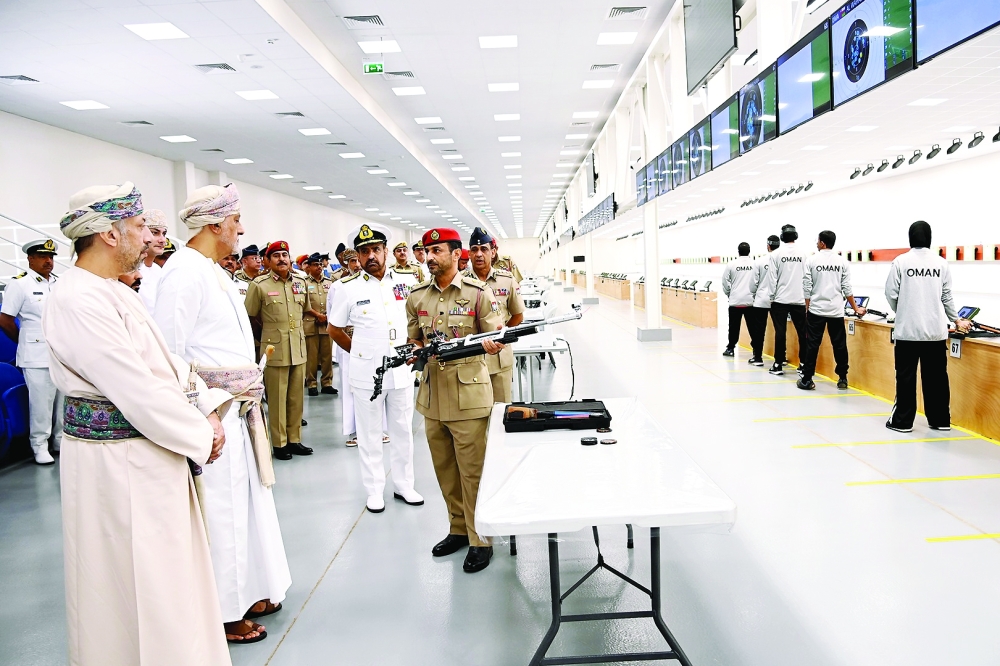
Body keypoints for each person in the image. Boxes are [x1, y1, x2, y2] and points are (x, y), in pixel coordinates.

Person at [45, 182, 233, 666]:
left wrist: (207, 404)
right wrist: (201, 434)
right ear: (110, 234)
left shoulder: (113, 290)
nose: (148, 237)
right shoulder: (78, 298)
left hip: (149, 457)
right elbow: (137, 391)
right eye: (138, 226)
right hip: (117, 467)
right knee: (133, 589)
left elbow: (168, 363)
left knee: (167, 587)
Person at [156, 182, 292, 645]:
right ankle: (225, 611)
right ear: (215, 225)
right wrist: (202, 410)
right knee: (222, 511)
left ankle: (250, 590)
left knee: (248, 503)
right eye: (235, 221)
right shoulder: (182, 273)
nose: (241, 230)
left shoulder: (212, 270)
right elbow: (170, 355)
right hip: (211, 416)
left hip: (238, 411)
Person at [405, 228, 505, 573]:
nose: (430, 257)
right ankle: (458, 528)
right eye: (427, 251)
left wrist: (493, 344)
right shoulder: (417, 296)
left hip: (469, 395)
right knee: (445, 470)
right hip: (433, 395)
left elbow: (497, 335)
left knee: (472, 472)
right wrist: (415, 351)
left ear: (456, 254)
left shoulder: (478, 293)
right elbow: (415, 339)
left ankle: (481, 538)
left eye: (438, 250)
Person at [329, 224, 424, 513]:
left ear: (386, 252)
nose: (371, 255)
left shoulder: (407, 282)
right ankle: (374, 490)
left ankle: (404, 485)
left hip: (401, 370)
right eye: (364, 251)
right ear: (357, 255)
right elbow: (334, 329)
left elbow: (416, 321)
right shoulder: (346, 288)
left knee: (402, 431)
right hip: (367, 373)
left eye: (376, 250)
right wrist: (359, 352)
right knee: (369, 434)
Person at [884, 221, 972, 433]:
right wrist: (956, 319)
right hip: (935, 333)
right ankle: (940, 420)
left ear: (910, 237)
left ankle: (903, 422)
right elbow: (946, 296)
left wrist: (902, 310)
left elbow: (890, 293)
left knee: (905, 378)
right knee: (936, 379)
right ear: (929, 238)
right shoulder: (941, 263)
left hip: (907, 333)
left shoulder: (900, 262)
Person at [244, 241, 311, 461]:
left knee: (296, 397)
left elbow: (304, 310)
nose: (281, 259)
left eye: (284, 255)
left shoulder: (301, 282)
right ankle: (279, 443)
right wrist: (264, 339)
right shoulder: (259, 285)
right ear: (267, 260)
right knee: (277, 398)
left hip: (298, 348)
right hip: (274, 349)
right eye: (276, 256)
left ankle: (294, 439)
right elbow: (250, 317)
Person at [0, 239, 63, 464]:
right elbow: (5, 319)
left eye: (51, 257)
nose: (48, 261)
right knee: (41, 404)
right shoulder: (20, 284)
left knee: (62, 401)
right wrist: (22, 341)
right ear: (30, 259)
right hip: (35, 355)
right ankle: (39, 445)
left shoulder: (58, 283)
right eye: (43, 257)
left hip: (61, 354)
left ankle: (59, 441)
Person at [797, 231, 867, 391]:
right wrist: (855, 308)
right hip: (836, 311)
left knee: (812, 345)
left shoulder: (812, 260)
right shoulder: (842, 262)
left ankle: (807, 379)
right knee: (839, 345)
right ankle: (842, 378)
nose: (816, 243)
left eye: (818, 241)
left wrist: (807, 307)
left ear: (822, 243)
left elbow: (807, 287)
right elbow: (846, 288)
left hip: (816, 310)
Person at [466, 227, 524, 403]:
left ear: (493, 252)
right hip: (469, 359)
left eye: (484, 249)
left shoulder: (507, 280)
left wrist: (502, 334)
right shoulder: (460, 282)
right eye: (474, 249)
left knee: (501, 408)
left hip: (500, 357)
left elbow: (518, 315)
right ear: (469, 254)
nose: (479, 254)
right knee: (473, 411)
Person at [763, 224, 808, 375]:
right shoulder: (804, 254)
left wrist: (771, 297)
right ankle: (803, 364)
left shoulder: (775, 254)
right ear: (795, 236)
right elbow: (807, 278)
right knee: (802, 333)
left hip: (780, 300)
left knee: (780, 332)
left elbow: (772, 278)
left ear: (782, 237)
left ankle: (778, 364)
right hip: (799, 299)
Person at [329, 249, 362, 447]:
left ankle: (379, 429)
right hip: (348, 342)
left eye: (358, 260)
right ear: (345, 264)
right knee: (350, 388)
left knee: (377, 384)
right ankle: (353, 431)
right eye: (352, 261)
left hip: (371, 341)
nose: (357, 265)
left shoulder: (375, 284)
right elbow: (333, 319)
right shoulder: (337, 286)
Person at [302, 253, 336, 396]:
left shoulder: (329, 282)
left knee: (327, 356)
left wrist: (327, 316)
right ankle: (312, 384)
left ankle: (327, 383)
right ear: (309, 267)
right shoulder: (304, 282)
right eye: (315, 265)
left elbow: (334, 302)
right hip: (311, 324)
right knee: (312, 357)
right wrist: (317, 315)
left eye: (320, 265)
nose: (319, 267)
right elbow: (303, 304)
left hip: (326, 324)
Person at [747, 235, 780, 366]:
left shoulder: (759, 261)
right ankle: (780, 358)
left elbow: (753, 283)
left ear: (768, 246)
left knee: (759, 330)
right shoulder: (781, 261)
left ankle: (757, 357)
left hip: (761, 300)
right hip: (777, 300)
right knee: (780, 330)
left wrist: (754, 294)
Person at [720, 242, 758, 358]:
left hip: (735, 301)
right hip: (751, 301)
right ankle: (756, 350)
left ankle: (730, 348)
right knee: (753, 327)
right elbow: (759, 281)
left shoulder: (732, 264)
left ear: (738, 252)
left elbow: (725, 281)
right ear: (749, 252)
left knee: (733, 327)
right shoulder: (755, 264)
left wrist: (729, 293)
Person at [137, 208, 168, 311]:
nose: (162, 240)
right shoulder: (132, 272)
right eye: (155, 233)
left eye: (164, 234)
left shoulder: (159, 271)